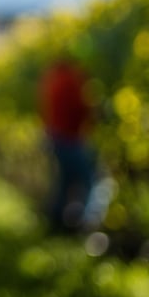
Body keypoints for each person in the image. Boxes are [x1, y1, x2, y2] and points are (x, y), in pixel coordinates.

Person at [38, 56, 100, 232]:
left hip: (55, 137)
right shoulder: (71, 80)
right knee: (86, 179)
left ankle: (56, 222)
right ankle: (81, 224)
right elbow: (80, 108)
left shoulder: (51, 80)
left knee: (64, 181)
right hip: (69, 138)